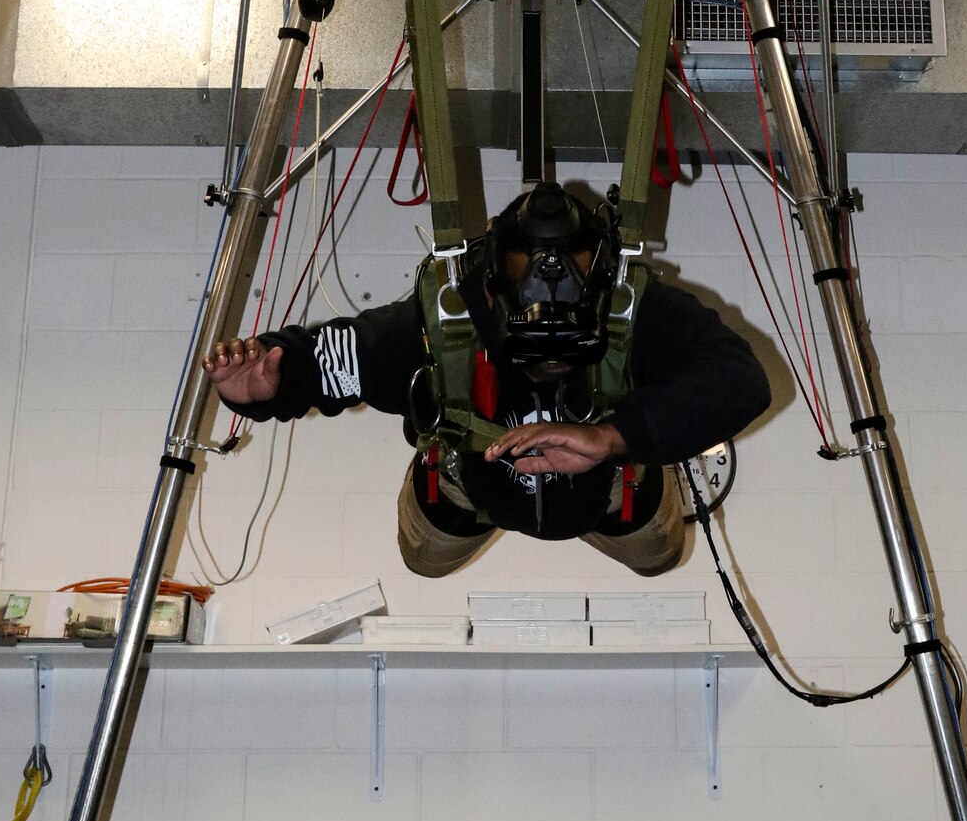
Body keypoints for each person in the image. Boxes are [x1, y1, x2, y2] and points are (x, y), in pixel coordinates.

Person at [203, 181, 770, 578]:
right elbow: (340, 355)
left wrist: (614, 438)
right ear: (492, 289)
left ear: (600, 288)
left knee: (660, 557)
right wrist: (273, 379)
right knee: (422, 561)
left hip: (613, 494)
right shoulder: (447, 319)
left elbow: (742, 379)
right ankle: (445, 457)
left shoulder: (637, 310)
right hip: (468, 489)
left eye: (572, 294)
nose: (551, 309)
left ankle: (632, 465)